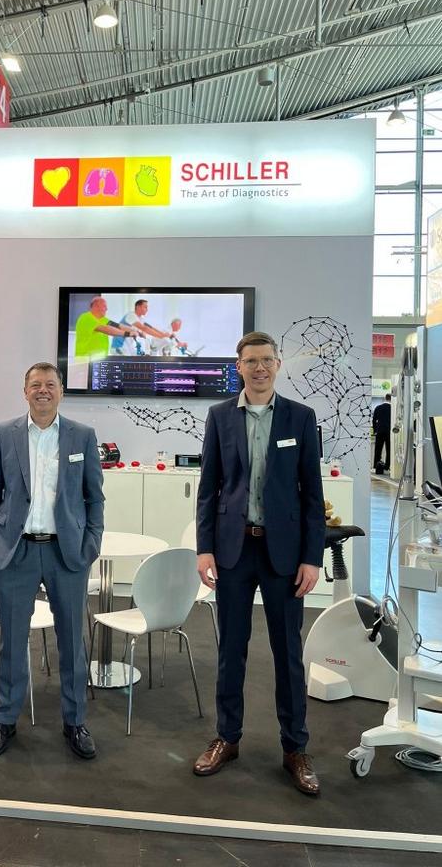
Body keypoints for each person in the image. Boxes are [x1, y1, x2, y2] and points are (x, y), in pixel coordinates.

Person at [193, 331, 325, 796]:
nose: (260, 367)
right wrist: (204, 548)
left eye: (267, 359)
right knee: (231, 648)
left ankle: (295, 748)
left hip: (283, 555)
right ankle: (227, 738)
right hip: (233, 550)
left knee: (288, 653)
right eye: (251, 361)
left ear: (278, 364)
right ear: (239, 367)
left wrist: (312, 557)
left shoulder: (300, 417)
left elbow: (312, 495)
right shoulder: (219, 416)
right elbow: (209, 487)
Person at [0, 362, 104, 760]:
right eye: (36, 385)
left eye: (50, 384)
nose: (43, 391)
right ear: (25, 391)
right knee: (12, 641)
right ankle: (5, 719)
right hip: (16, 551)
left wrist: (91, 543)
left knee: (72, 640)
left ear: (61, 391)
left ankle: (75, 721)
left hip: (66, 553)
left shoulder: (82, 436)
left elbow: (94, 497)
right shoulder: (4, 434)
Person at [74, 296, 138, 360]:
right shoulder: (86, 318)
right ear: (96, 306)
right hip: (85, 358)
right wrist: (128, 334)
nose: (106, 309)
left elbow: (119, 326)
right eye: (104, 306)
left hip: (98, 359)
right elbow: (106, 329)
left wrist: (137, 331)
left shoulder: (103, 319)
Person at [372, 394, 392, 473]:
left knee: (378, 449)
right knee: (389, 450)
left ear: (385, 398)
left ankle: (376, 465)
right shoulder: (392, 408)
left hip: (379, 431)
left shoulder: (378, 407)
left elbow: (374, 420)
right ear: (391, 399)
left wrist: (375, 430)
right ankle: (387, 466)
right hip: (389, 432)